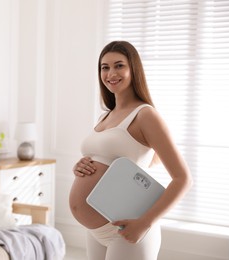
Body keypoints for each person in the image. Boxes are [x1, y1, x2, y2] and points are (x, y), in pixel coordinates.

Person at [69, 41, 192, 260]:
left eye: (119, 66)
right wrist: (81, 166)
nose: (110, 73)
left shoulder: (145, 115)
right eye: (104, 67)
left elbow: (183, 179)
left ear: (133, 69)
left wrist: (144, 223)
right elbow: (112, 161)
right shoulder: (105, 116)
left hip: (128, 226)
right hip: (96, 230)